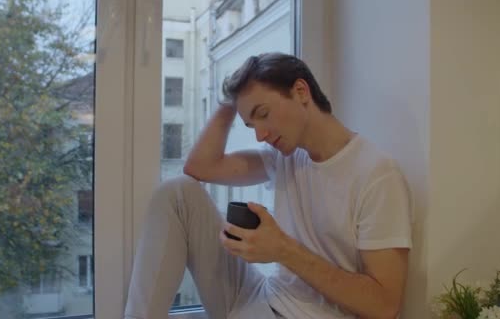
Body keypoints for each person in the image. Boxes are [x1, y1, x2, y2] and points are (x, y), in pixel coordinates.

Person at [124, 52, 413, 319]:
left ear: (301, 92)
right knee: (177, 193)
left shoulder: (377, 175)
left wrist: (283, 249)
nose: (260, 135)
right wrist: (231, 98)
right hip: (258, 297)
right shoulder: (286, 156)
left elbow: (384, 305)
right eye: (251, 125)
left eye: (263, 114)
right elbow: (200, 167)